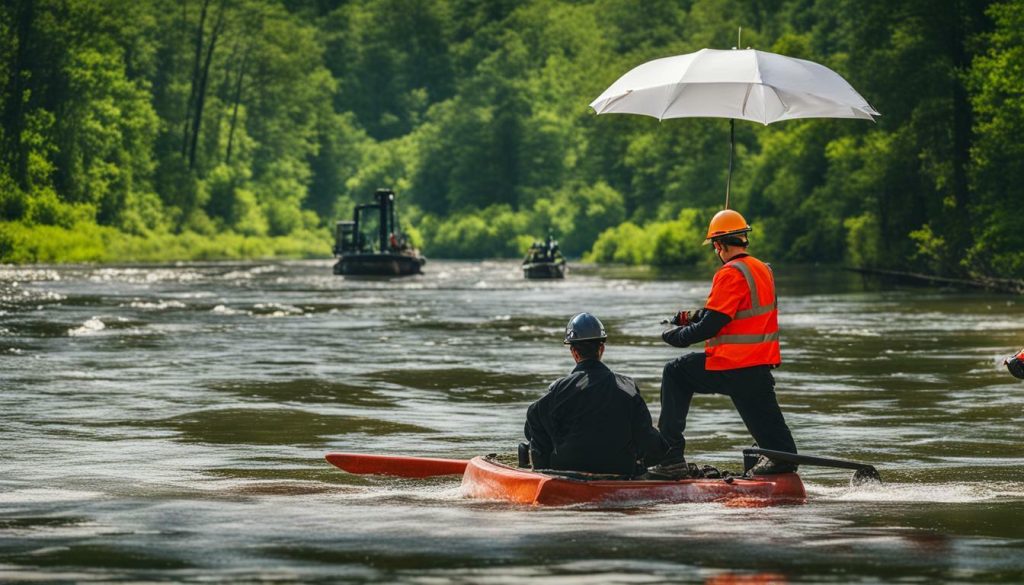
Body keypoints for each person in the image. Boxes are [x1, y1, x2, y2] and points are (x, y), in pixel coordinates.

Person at [649, 209, 798, 478]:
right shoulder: (764, 270)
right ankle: (777, 459)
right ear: (743, 238)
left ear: (718, 245)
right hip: (758, 368)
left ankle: (670, 458)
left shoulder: (730, 273)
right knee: (781, 450)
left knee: (676, 373)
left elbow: (710, 326)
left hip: (731, 365)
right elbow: (730, 312)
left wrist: (673, 336)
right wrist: (687, 317)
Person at [524, 313, 668, 476]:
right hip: (621, 470)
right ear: (601, 349)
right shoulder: (628, 386)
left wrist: (543, 466)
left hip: (566, 470)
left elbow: (533, 418)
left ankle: (543, 472)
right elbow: (649, 440)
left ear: (574, 353)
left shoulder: (560, 388)